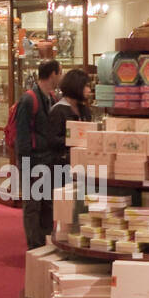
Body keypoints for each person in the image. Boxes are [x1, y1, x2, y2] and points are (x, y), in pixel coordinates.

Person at [15, 59, 62, 249]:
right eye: (60, 72)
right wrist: (25, 166)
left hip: (49, 160)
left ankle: (46, 243)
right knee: (33, 206)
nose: (61, 76)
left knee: (48, 205)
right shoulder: (29, 100)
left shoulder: (51, 98)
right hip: (33, 162)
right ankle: (34, 246)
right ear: (52, 74)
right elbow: (22, 137)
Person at [48, 67, 93, 173]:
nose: (89, 90)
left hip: (82, 163)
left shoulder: (84, 109)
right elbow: (52, 140)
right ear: (76, 86)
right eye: (86, 86)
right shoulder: (58, 110)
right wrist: (74, 140)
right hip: (61, 167)